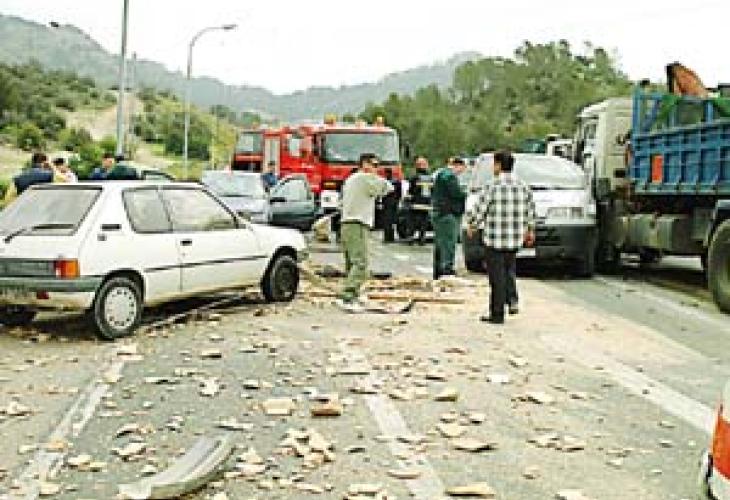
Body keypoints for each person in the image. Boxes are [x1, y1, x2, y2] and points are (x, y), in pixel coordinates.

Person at [465, 150, 536, 324]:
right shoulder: (523, 186)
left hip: (494, 238)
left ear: (498, 165)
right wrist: (530, 230)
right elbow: (530, 211)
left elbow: (481, 208)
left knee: (496, 277)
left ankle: (497, 313)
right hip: (514, 238)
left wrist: (472, 225)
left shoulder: (492, 185)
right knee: (508, 269)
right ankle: (511, 300)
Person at [337, 154, 393, 311]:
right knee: (361, 262)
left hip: (347, 222)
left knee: (351, 263)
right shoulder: (363, 178)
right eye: (374, 165)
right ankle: (348, 297)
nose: (376, 169)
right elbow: (387, 188)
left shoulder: (352, 179)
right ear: (364, 165)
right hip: (357, 222)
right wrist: (381, 179)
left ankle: (354, 292)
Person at [431, 157, 467, 279]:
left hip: (439, 213)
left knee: (440, 243)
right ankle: (446, 269)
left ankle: (438, 269)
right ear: (458, 165)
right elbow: (456, 193)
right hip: (448, 214)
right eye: (462, 169)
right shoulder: (449, 176)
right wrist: (465, 194)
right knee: (448, 243)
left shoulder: (440, 174)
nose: (461, 172)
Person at [407, 156, 433, 245]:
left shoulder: (414, 177)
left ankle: (411, 237)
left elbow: (410, 190)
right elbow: (432, 190)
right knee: (423, 221)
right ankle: (422, 239)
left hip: (415, 202)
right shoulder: (430, 178)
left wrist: (408, 199)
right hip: (426, 203)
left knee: (412, 221)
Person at [381, 168, 401, 243]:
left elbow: (382, 192)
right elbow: (399, 193)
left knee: (387, 221)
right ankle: (391, 237)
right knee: (392, 220)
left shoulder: (385, 182)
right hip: (394, 202)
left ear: (387, 173)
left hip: (387, 202)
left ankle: (387, 238)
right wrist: (397, 200)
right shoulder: (397, 181)